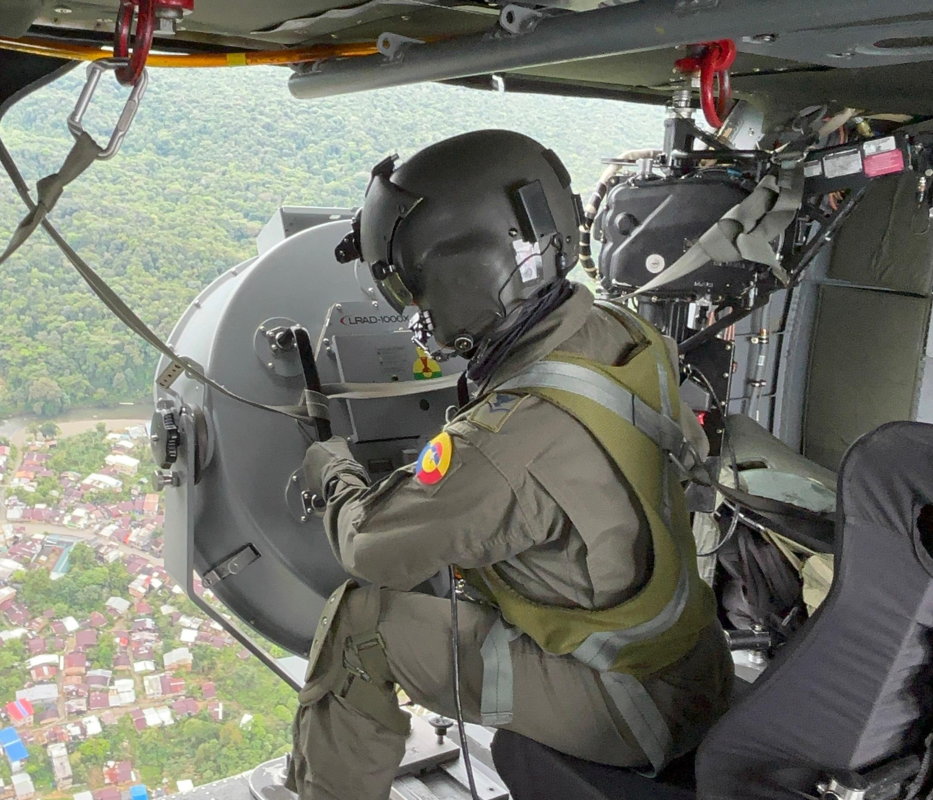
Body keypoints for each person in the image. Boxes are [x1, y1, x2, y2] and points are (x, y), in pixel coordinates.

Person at [285, 130, 733, 800]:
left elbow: (372, 547)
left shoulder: (505, 441)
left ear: (468, 272)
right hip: (698, 670)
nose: (417, 312)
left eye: (417, 290)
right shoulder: (624, 332)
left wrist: (330, 467)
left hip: (630, 707)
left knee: (364, 621)